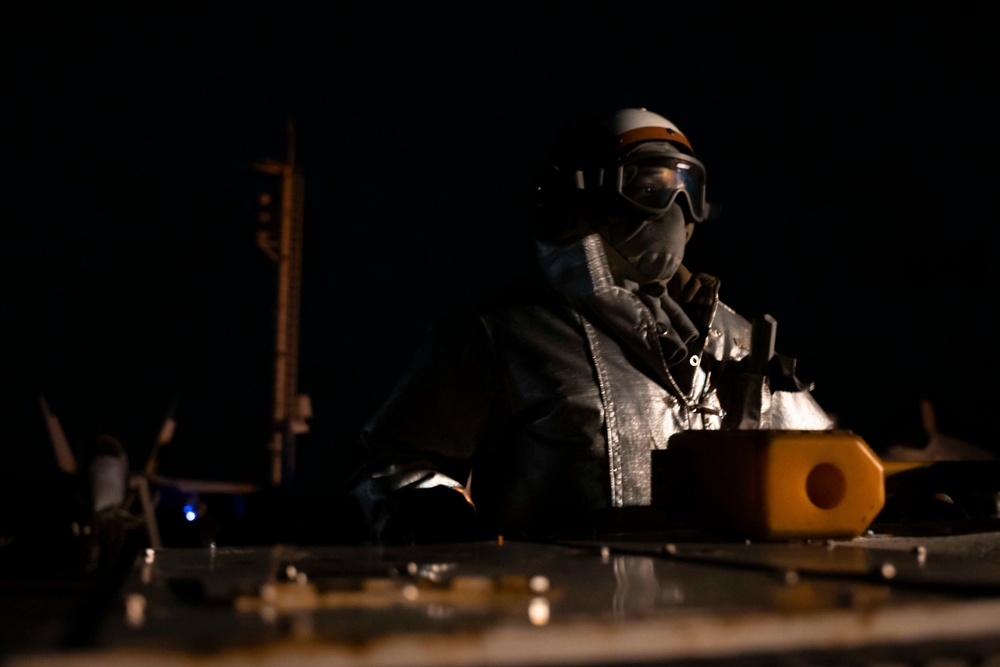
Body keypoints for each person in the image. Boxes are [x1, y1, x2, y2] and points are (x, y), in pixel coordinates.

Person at [349, 108, 834, 543]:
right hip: (567, 619)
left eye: (689, 191)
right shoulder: (502, 334)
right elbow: (398, 465)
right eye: (649, 190)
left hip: (716, 612)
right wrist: (443, 525)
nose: (675, 211)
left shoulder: (735, 337)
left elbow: (827, 460)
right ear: (582, 196)